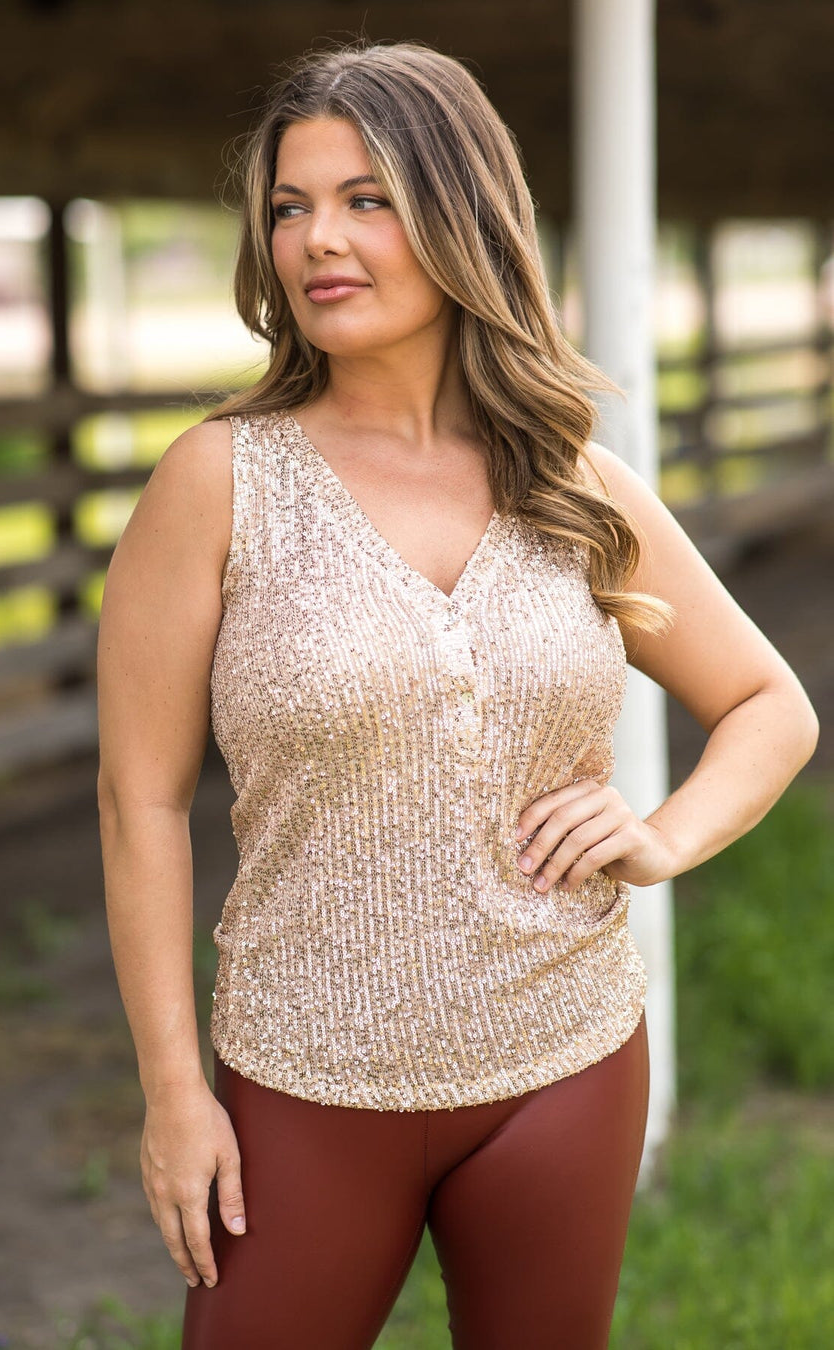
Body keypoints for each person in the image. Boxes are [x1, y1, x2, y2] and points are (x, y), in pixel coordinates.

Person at [95, 39, 819, 1350]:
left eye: (365, 198)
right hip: (307, 1077)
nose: (318, 238)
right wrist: (172, 1092)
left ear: (461, 215)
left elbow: (770, 703)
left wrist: (662, 836)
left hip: (565, 1059)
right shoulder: (220, 481)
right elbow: (138, 798)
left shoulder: (570, 481)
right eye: (291, 206)